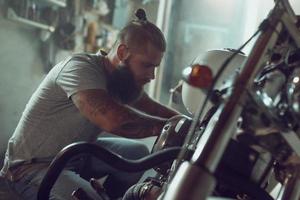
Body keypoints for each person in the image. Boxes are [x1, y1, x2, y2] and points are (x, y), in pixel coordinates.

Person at [0, 9, 179, 200]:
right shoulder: (80, 68)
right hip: (30, 167)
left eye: (155, 67)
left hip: (75, 155)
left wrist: (190, 123)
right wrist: (170, 128)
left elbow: (153, 108)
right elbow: (114, 121)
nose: (151, 76)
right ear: (122, 52)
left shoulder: (120, 80)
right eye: (146, 65)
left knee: (138, 153)